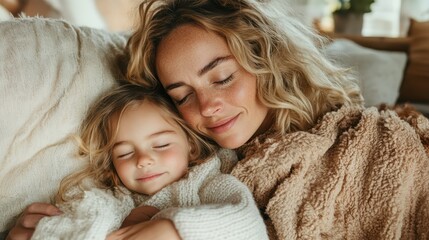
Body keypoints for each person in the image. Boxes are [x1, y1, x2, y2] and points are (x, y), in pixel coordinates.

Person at [7, 0, 429, 239]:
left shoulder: (366, 144)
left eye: (223, 77)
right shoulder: (188, 171)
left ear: (266, 60)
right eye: (183, 95)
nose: (207, 106)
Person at [28, 83, 268, 240]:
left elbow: (249, 225)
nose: (143, 160)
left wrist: (172, 230)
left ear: (192, 147)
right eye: (124, 153)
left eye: (161, 145)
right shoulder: (113, 200)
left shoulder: (208, 184)